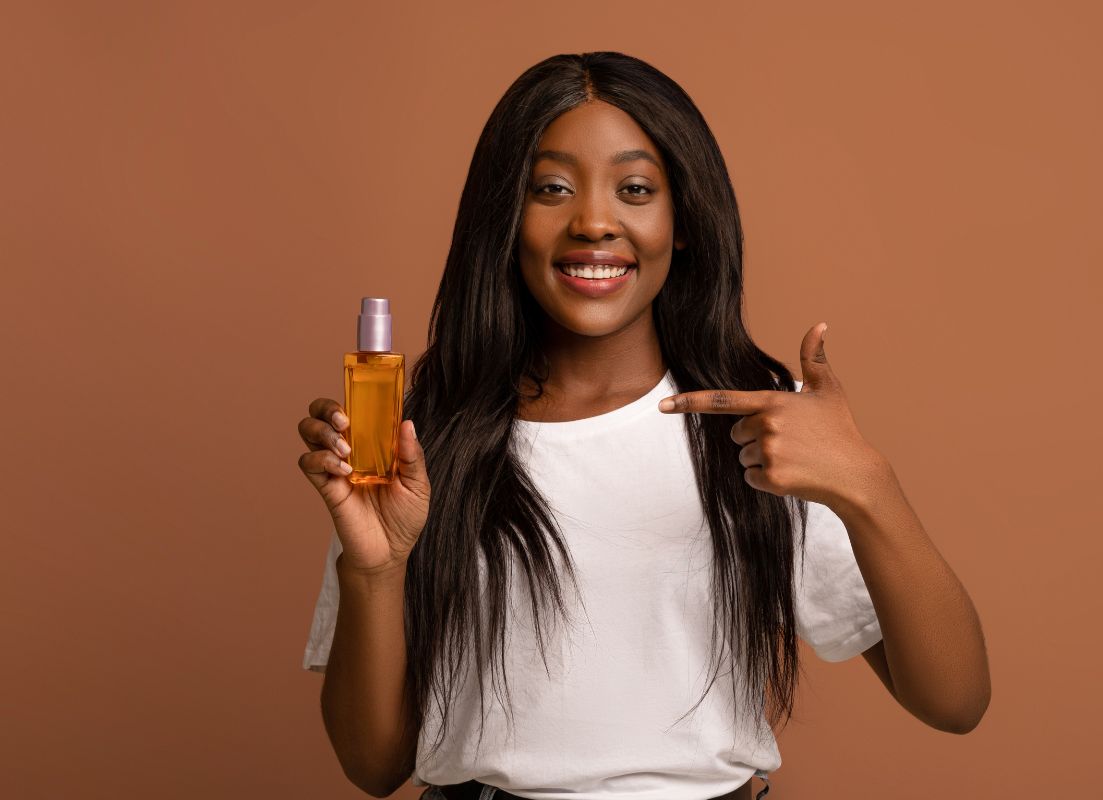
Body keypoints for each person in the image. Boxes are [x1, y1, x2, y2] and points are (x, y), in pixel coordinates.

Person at [296, 51, 990, 800]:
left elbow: (954, 701)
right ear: (505, 216)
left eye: (635, 189)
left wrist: (867, 485)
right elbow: (374, 765)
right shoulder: (420, 441)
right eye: (552, 188)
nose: (594, 220)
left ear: (683, 219)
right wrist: (374, 569)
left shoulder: (769, 429)